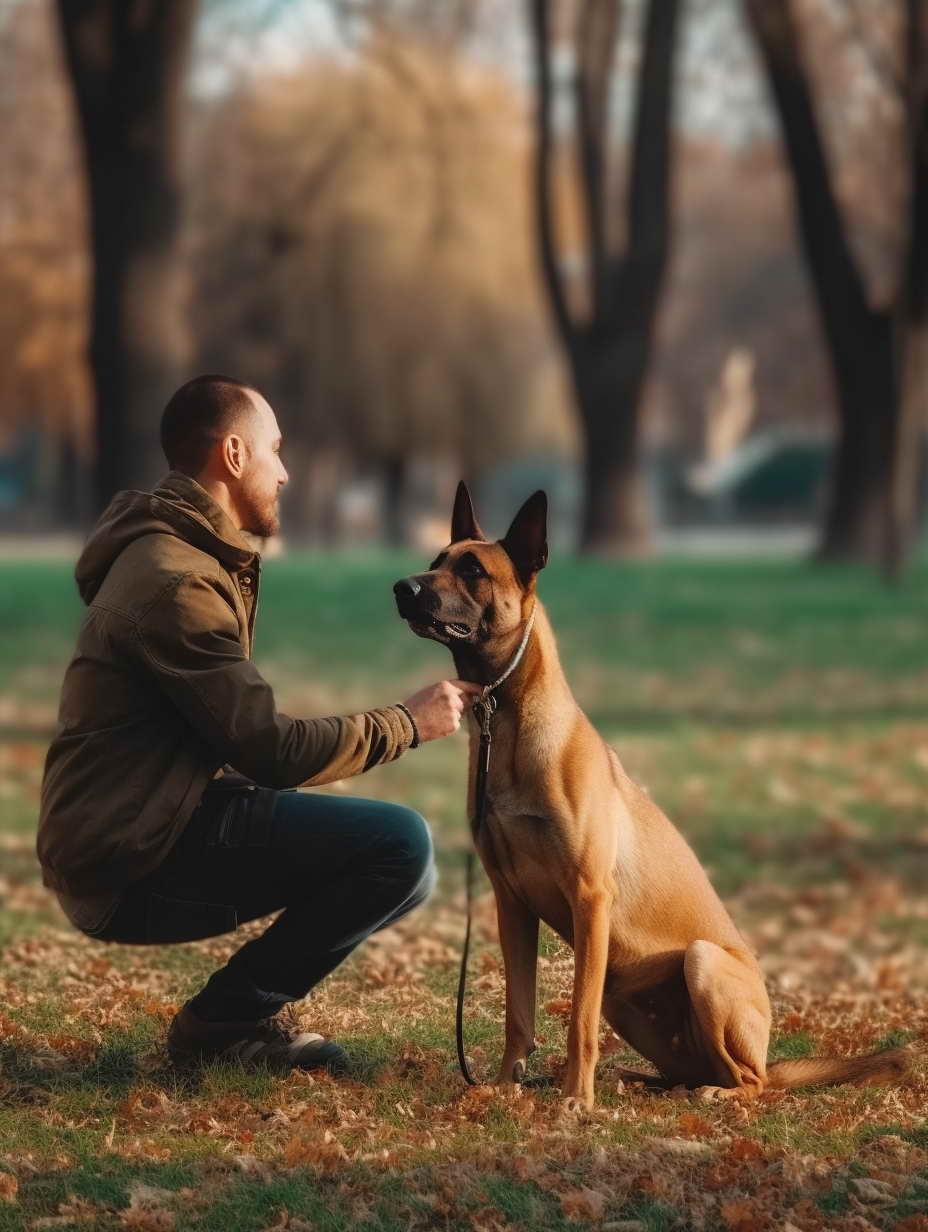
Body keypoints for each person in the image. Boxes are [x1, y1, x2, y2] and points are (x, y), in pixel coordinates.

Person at [36, 374, 482, 1076]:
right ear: (234, 455)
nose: (286, 471)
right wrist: (407, 722)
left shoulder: (181, 555)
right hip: (126, 860)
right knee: (399, 846)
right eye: (276, 450)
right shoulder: (175, 580)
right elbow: (271, 748)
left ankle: (229, 1014)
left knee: (404, 865)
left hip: (132, 827)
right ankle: (226, 1020)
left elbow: (221, 737)